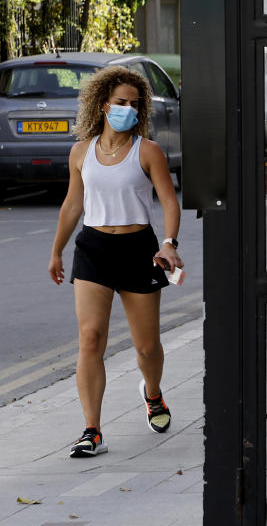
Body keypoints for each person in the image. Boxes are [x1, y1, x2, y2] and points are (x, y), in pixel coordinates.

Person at [48, 66, 184, 458]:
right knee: (90, 338)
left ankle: (153, 393)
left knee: (146, 347)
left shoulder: (148, 151)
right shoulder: (81, 152)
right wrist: (57, 249)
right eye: (120, 102)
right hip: (93, 249)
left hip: (139, 250)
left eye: (134, 104)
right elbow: (74, 204)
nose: (127, 108)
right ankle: (92, 430)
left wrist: (170, 244)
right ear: (103, 103)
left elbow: (169, 202)